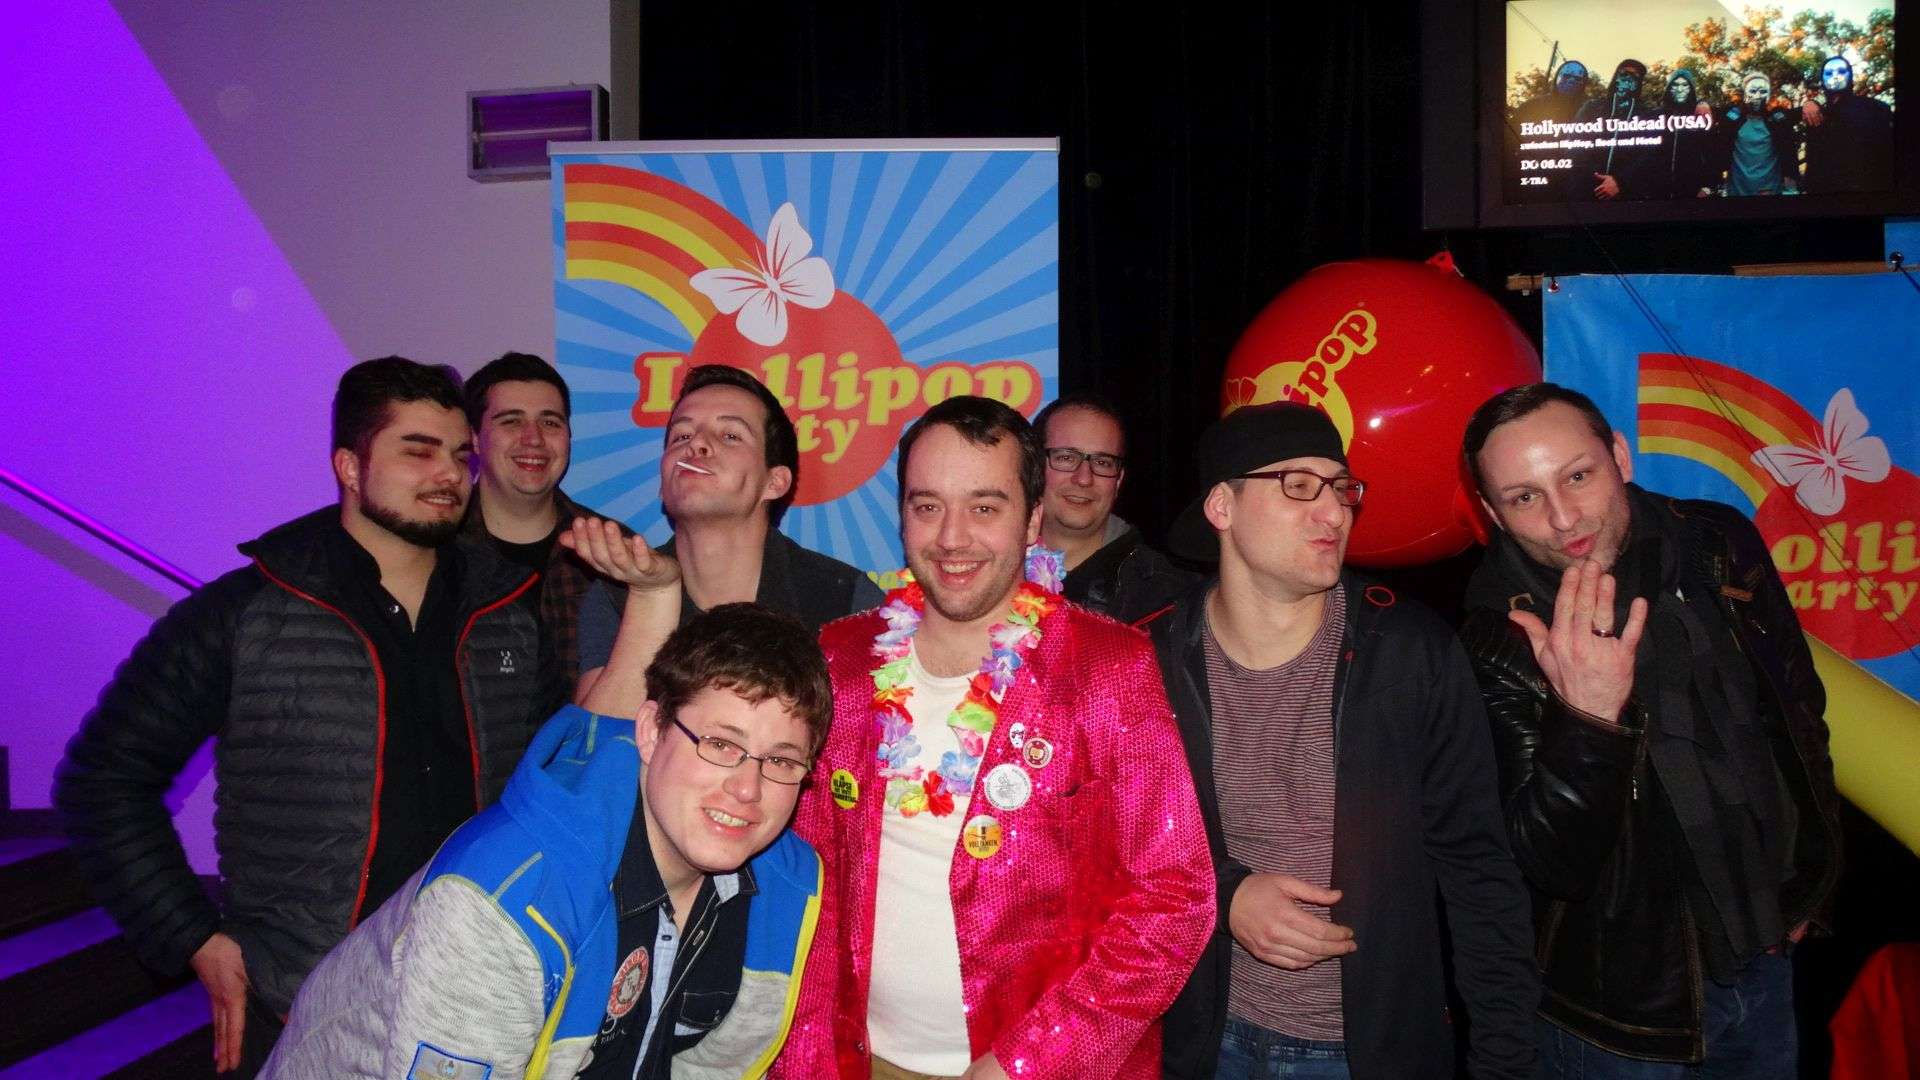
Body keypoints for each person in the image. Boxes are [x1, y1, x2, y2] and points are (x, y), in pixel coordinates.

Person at [54, 358, 554, 1075]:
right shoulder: (244, 613)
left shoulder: (510, 612)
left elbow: (544, 794)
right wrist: (191, 935)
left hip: (471, 1001)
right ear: (349, 466)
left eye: (460, 455)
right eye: (418, 451)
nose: (449, 473)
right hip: (298, 1002)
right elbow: (102, 780)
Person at [774, 395, 1215, 1079]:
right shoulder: (841, 659)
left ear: (1033, 518)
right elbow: (798, 872)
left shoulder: (1108, 669)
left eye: (984, 507)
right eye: (927, 506)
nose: (952, 538)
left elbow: (1175, 899)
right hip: (852, 1059)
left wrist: (1029, 1061)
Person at [263, 603, 831, 1080]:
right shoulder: (499, 903)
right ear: (651, 731)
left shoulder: (785, 888)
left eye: (782, 760)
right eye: (721, 744)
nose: (747, 788)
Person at [1458, 383, 1842, 1076]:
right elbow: (1547, 864)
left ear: (1620, 456)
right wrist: (1588, 717)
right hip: (1624, 1012)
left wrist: (1809, 884)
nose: (1563, 517)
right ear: (1492, 513)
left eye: (1578, 476)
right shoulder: (1496, 638)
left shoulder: (1715, 541)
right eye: (1524, 497)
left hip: (1766, 944)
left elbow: (1796, 711)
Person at [1151, 401, 1539, 1080]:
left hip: (1369, 1053)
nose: (1333, 511)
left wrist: (1505, 1061)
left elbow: (1479, 869)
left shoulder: (1409, 652)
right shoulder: (1151, 656)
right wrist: (1225, 894)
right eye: (1299, 485)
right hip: (1200, 1043)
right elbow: (1114, 842)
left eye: (1342, 488)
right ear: (1222, 506)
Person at [574, 363, 881, 707]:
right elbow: (594, 736)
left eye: (730, 436)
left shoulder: (844, 600)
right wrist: (651, 598)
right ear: (663, 481)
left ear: (774, 482)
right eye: (681, 436)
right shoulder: (619, 593)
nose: (697, 445)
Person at [460, 350, 619, 698]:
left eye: (550, 422)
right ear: (474, 438)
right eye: (511, 421)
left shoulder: (616, 554)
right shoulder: (434, 549)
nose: (533, 438)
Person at [1031, 393, 1196, 624]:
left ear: (1118, 481)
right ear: (1033, 468)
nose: (1084, 478)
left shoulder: (1167, 599)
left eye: (1102, 462)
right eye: (1066, 458)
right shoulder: (993, 573)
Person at [1802, 55, 1894, 194]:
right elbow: (1813, 160)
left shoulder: (1875, 109)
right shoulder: (1816, 113)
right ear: (1822, 79)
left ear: (1850, 75)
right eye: (1829, 73)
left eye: (1841, 71)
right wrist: (1809, 103)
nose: (1835, 76)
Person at [1506, 59, 1591, 203]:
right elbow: (1508, 142)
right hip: (1535, 184)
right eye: (1567, 76)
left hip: (1575, 188)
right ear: (1558, 77)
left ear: (1583, 83)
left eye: (1577, 78)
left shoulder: (1591, 110)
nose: (1571, 81)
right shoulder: (1531, 106)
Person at [1573, 60, 1653, 200]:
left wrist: (1619, 181)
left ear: (1639, 83)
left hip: (1625, 196)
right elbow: (1573, 144)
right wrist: (1594, 177)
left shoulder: (1646, 115)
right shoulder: (1591, 107)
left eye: (1635, 76)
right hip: (1585, 191)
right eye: (1624, 73)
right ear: (1616, 77)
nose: (1628, 78)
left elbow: (1646, 156)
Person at [1716, 72, 1802, 197]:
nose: (1757, 96)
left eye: (1763, 91)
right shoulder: (1732, 119)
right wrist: (1703, 104)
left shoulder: (1777, 121)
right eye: (1753, 91)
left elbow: (1800, 112)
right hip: (1737, 192)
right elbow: (1711, 111)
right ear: (1744, 93)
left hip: (1770, 191)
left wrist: (1811, 104)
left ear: (1769, 95)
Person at [1649, 69, 1717, 199]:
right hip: (1658, 191)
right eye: (1675, 84)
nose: (1680, 89)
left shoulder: (1701, 115)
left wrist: (1708, 186)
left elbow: (1712, 152)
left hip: (1692, 190)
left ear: (1691, 89)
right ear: (1669, 88)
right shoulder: (1655, 116)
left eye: (1685, 85)